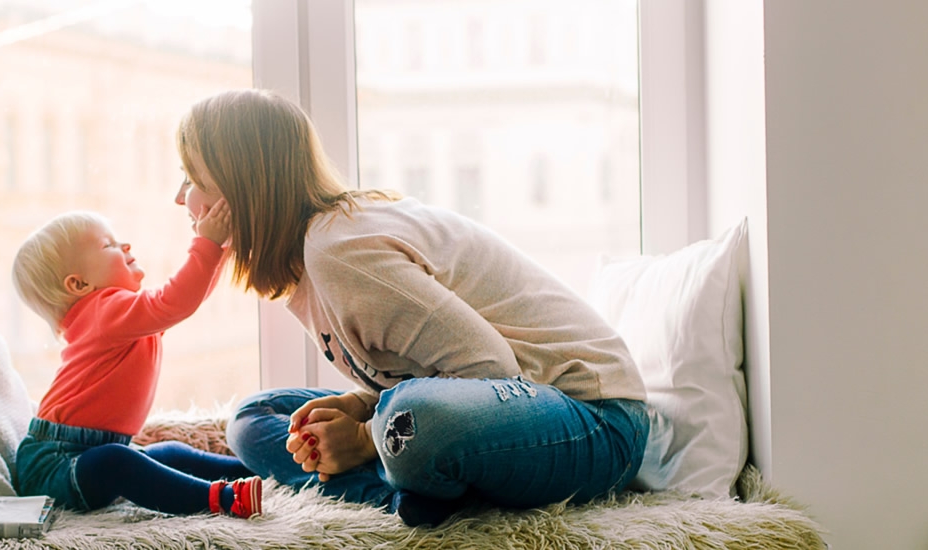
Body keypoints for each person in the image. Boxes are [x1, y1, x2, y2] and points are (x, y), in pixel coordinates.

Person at [173, 88, 650, 527]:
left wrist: (362, 438)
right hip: (496, 409)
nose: (180, 197)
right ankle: (410, 492)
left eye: (193, 178)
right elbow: (427, 375)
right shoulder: (309, 260)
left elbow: (492, 369)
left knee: (412, 419)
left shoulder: (339, 250)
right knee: (255, 417)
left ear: (243, 188)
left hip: (594, 420)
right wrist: (364, 408)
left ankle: (404, 479)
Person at [9, 207, 264, 518]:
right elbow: (176, 300)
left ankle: (257, 469)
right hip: (54, 465)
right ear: (78, 285)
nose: (125, 245)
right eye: (108, 245)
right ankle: (221, 499)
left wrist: (220, 249)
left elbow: (185, 302)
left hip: (88, 451)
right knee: (117, 462)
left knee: (168, 453)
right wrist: (208, 244)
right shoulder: (104, 312)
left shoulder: (117, 316)